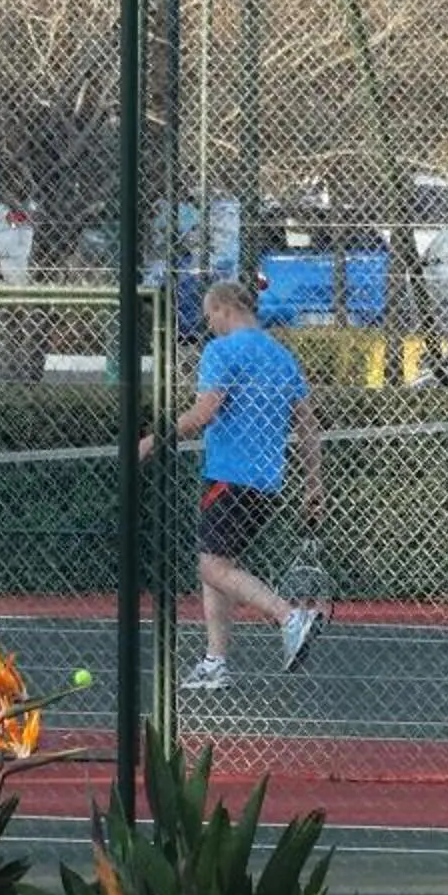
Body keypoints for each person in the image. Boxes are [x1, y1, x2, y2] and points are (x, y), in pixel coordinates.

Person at [139, 280, 326, 689]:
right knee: (217, 566)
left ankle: (289, 616)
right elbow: (309, 426)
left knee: (210, 565)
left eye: (208, 316)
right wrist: (314, 484)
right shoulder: (282, 356)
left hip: (229, 477)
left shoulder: (220, 352)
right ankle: (215, 661)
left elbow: (205, 411)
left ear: (224, 308)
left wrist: (152, 441)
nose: (208, 325)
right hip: (267, 483)